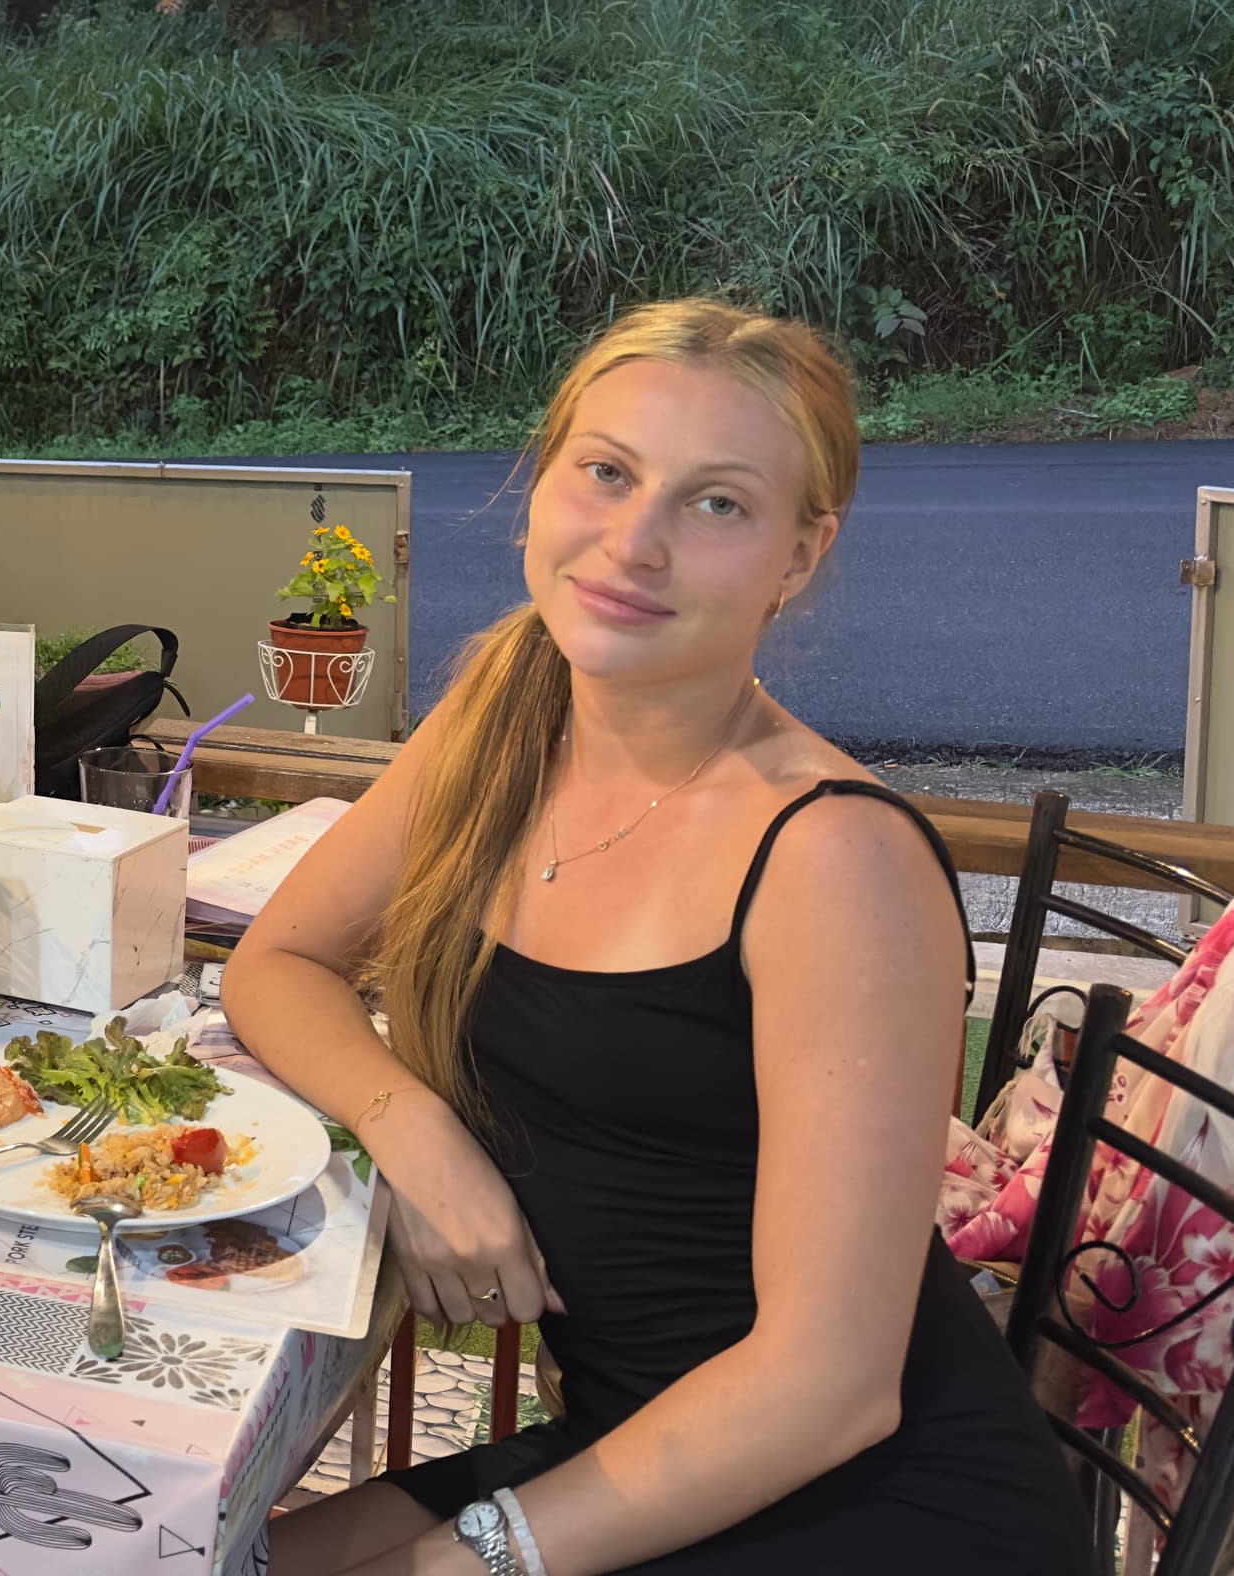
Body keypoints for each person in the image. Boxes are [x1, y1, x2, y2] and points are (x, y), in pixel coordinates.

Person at [227, 301, 1096, 1576]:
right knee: (188, 1553)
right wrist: (416, 1131)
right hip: (635, 1445)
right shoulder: (512, 702)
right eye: (608, 471)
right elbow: (279, 962)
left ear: (799, 556)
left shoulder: (833, 858)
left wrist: (474, 1562)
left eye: (718, 505)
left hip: (861, 1501)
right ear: (542, 482)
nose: (633, 543)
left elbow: (831, 1388)